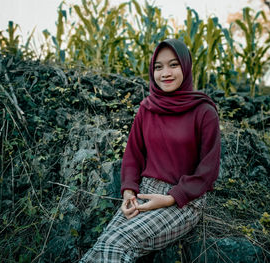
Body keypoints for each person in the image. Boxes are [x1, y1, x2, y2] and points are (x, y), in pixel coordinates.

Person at [80, 38, 221, 263]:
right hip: (145, 191)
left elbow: (208, 170)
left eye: (174, 65)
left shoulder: (203, 111)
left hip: (184, 199)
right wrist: (128, 192)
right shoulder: (147, 108)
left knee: (117, 244)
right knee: (102, 246)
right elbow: (133, 155)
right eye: (159, 66)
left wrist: (170, 198)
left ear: (185, 66)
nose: (166, 72)